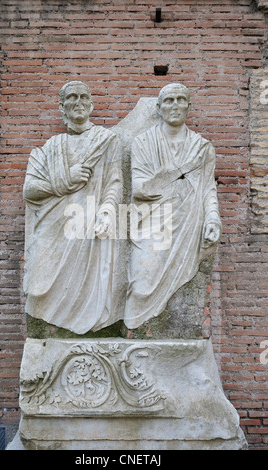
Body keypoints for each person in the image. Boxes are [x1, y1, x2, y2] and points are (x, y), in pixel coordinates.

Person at [23, 81, 122, 334]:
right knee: (41, 286)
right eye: (71, 98)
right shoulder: (50, 149)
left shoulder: (107, 141)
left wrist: (108, 212)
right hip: (55, 227)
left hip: (90, 228)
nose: (78, 102)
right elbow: (29, 190)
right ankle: (49, 328)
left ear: (91, 104)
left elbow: (114, 183)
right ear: (62, 107)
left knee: (89, 290)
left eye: (83, 97)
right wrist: (66, 179)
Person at [124, 83, 222, 330]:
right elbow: (141, 189)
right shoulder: (143, 143)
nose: (175, 105)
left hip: (190, 224)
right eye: (169, 100)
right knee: (139, 285)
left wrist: (212, 219)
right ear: (159, 108)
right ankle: (136, 339)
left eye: (181, 100)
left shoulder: (202, 147)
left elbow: (208, 189)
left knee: (182, 297)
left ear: (189, 106)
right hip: (153, 225)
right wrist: (180, 169)